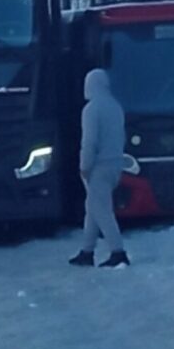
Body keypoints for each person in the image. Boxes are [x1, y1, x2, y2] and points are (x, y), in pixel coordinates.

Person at [70, 67, 130, 269]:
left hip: (98, 167)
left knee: (102, 211)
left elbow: (89, 142)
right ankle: (87, 251)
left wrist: (84, 166)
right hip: (115, 165)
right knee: (93, 209)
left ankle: (118, 252)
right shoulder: (115, 107)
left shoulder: (92, 109)